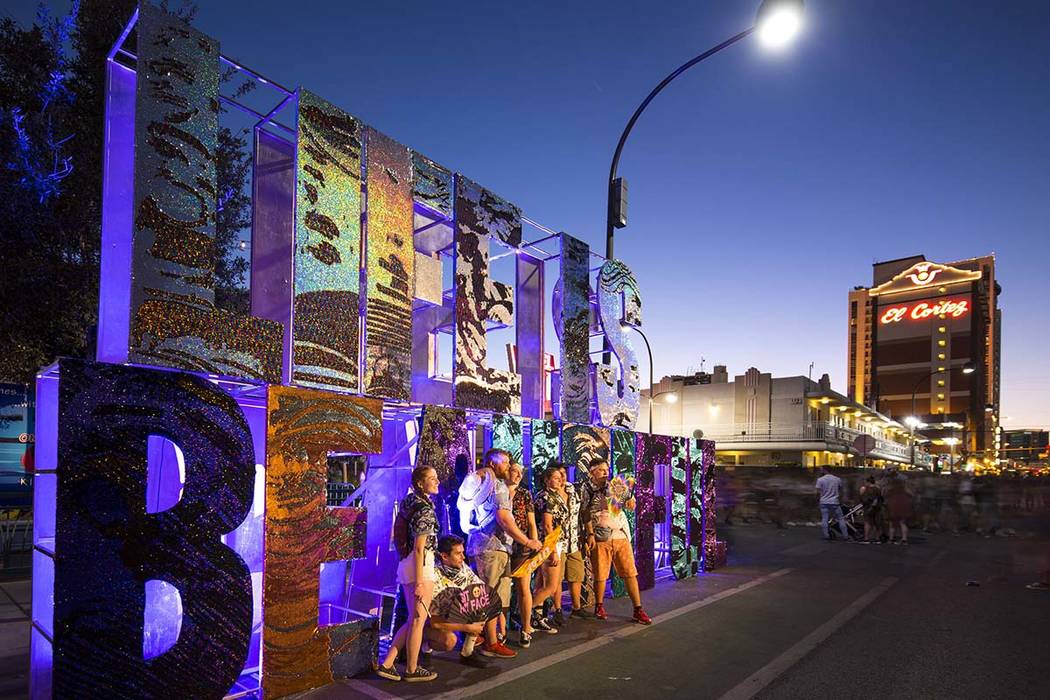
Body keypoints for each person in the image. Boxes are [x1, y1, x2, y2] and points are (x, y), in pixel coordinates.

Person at [457, 448, 541, 658]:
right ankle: (475, 640)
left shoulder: (480, 482)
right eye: (504, 462)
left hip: (489, 547)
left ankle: (490, 640)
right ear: (493, 463)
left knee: (491, 598)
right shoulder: (497, 486)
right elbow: (504, 519)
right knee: (486, 597)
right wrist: (528, 541)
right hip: (493, 548)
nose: (508, 465)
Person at [377, 466, 440, 682]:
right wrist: (421, 580)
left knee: (413, 618)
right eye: (432, 478)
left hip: (407, 563)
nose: (437, 481)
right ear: (421, 483)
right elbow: (420, 547)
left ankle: (388, 662)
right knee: (417, 620)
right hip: (419, 565)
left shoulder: (409, 502)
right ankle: (412, 669)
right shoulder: (424, 509)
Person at [579, 457, 652, 625]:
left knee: (630, 572)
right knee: (601, 574)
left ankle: (638, 608)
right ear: (592, 472)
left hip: (619, 535)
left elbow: (627, 502)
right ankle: (599, 605)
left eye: (606, 469)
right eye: (601, 470)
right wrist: (589, 534)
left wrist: (630, 502)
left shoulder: (616, 485)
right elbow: (584, 512)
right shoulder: (586, 488)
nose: (605, 472)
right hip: (600, 536)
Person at [427, 535, 503, 668]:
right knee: (449, 641)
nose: (463, 557)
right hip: (431, 622)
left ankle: (468, 652)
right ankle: (424, 645)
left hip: (452, 614)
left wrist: (495, 611)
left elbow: (481, 590)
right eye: (458, 553)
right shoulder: (435, 576)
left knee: (483, 601)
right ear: (444, 556)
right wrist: (467, 627)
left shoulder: (463, 568)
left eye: (462, 552)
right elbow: (435, 622)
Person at [504, 461, 539, 647]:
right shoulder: (498, 491)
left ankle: (526, 629)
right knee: (501, 590)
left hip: (522, 547)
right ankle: (500, 631)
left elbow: (532, 523)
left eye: (520, 472)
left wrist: (533, 545)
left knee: (523, 588)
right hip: (500, 545)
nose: (518, 475)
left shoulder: (525, 494)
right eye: (514, 471)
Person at [816, 466, 850, 541]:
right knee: (841, 518)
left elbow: (818, 492)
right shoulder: (837, 479)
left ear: (825, 470)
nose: (820, 471)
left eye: (821, 470)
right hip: (835, 502)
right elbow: (840, 490)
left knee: (825, 518)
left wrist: (818, 500)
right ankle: (845, 535)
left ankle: (826, 535)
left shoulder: (820, 480)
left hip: (824, 502)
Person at [885, 475, 913, 545]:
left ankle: (891, 539)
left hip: (893, 507)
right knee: (902, 523)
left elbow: (885, 495)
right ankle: (904, 539)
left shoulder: (891, 489)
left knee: (892, 524)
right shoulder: (905, 488)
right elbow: (911, 495)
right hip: (903, 507)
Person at [859, 475, 883, 544]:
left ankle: (866, 538)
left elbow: (861, 497)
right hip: (877, 507)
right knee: (877, 523)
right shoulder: (878, 488)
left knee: (867, 523)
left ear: (868, 482)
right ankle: (877, 538)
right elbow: (880, 497)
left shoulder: (864, 488)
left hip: (867, 507)